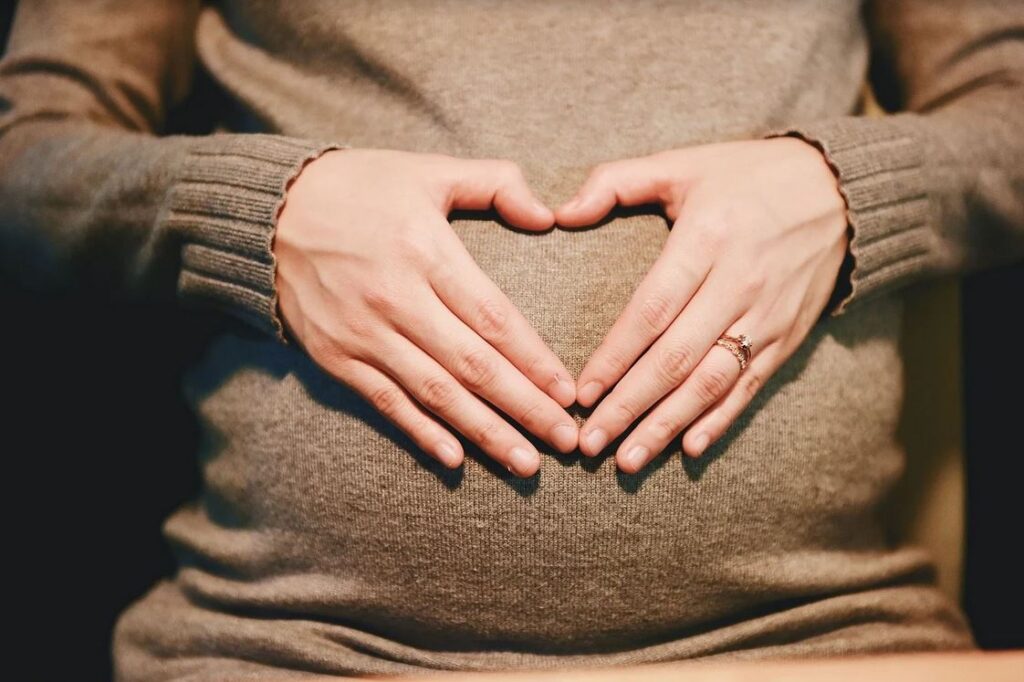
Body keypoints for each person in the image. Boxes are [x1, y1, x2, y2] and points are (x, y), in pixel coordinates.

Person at [1, 1, 1021, 680]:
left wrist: (844, 192)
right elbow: (25, 162)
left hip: (817, 645)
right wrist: (255, 213)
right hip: (291, 648)